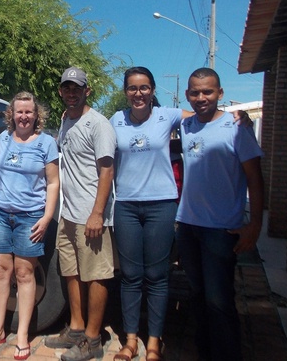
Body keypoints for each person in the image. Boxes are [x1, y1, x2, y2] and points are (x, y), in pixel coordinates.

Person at [176, 67, 264, 361]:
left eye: (208, 92)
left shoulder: (237, 127)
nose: (201, 98)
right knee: (198, 295)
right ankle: (205, 351)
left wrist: (255, 224)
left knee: (219, 301)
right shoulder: (186, 127)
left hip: (221, 230)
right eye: (195, 92)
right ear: (188, 95)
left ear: (220, 94)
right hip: (188, 226)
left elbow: (255, 178)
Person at [109, 66, 189, 361]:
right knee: (130, 276)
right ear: (125, 92)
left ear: (153, 90)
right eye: (132, 88)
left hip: (162, 205)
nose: (138, 93)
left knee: (157, 275)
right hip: (127, 206)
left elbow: (205, 117)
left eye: (144, 87)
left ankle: (154, 341)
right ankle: (130, 340)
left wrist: (234, 120)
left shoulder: (168, 116)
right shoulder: (116, 120)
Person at [0, 91, 59, 360]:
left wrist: (46, 218)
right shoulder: (4, 139)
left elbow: (54, 182)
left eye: (28, 112)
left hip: (31, 216)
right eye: (19, 112)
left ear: (37, 116)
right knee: (0, 271)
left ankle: (22, 334)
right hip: (0, 214)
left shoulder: (46, 143)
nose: (24, 116)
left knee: (24, 273)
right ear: (12, 115)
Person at [45, 67, 117, 361]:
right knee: (72, 272)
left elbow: (107, 169)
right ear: (61, 92)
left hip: (92, 215)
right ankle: (76, 328)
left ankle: (93, 338)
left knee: (96, 276)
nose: (71, 93)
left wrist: (98, 213)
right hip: (69, 214)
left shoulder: (98, 124)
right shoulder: (65, 121)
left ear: (88, 91)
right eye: (66, 88)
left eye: (77, 88)